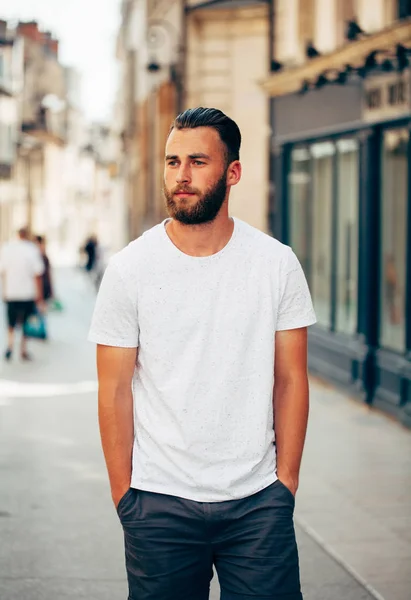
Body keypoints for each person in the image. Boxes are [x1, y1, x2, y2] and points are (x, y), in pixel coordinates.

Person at [88, 107, 316, 600]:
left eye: (197, 161)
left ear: (232, 172)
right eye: (172, 162)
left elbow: (291, 379)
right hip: (159, 503)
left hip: (257, 504)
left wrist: (286, 484)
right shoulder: (131, 269)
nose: (181, 177)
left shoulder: (275, 265)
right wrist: (124, 495)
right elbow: (113, 389)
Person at [0, 227, 45, 361]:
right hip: (27, 293)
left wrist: (4, 290)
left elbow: (3, 272)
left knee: (11, 321)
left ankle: (10, 345)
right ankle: (23, 349)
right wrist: (40, 296)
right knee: (26, 321)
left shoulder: (7, 248)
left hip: (11, 292)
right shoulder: (31, 249)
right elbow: (38, 274)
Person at [35, 235, 54, 304]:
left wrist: (51, 291)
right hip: (37, 291)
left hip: (44, 288)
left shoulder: (44, 258)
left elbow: (48, 274)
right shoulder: (35, 258)